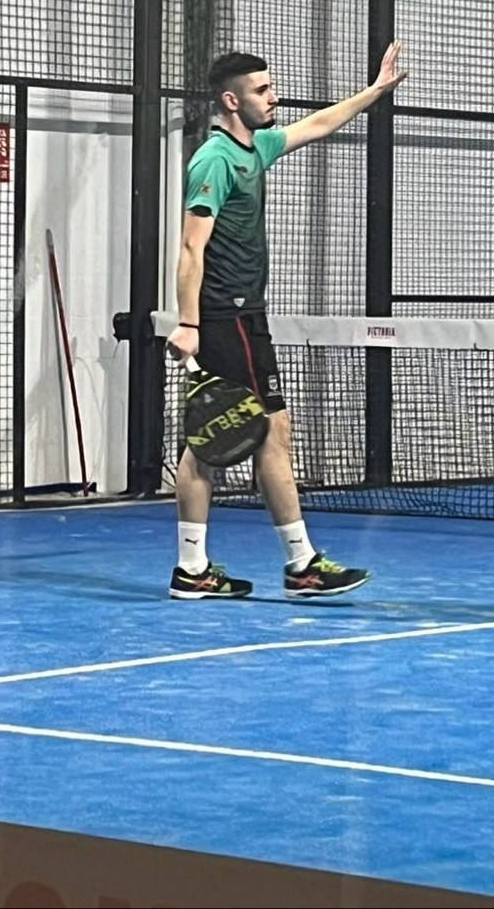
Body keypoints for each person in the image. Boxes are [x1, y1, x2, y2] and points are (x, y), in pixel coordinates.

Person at [166, 40, 407, 599]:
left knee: (214, 441)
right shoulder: (215, 160)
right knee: (264, 432)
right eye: (262, 90)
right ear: (232, 101)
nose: (273, 97)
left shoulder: (258, 147)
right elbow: (190, 246)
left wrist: (374, 91)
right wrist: (189, 323)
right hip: (226, 316)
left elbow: (319, 124)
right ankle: (299, 565)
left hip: (244, 316)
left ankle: (196, 569)